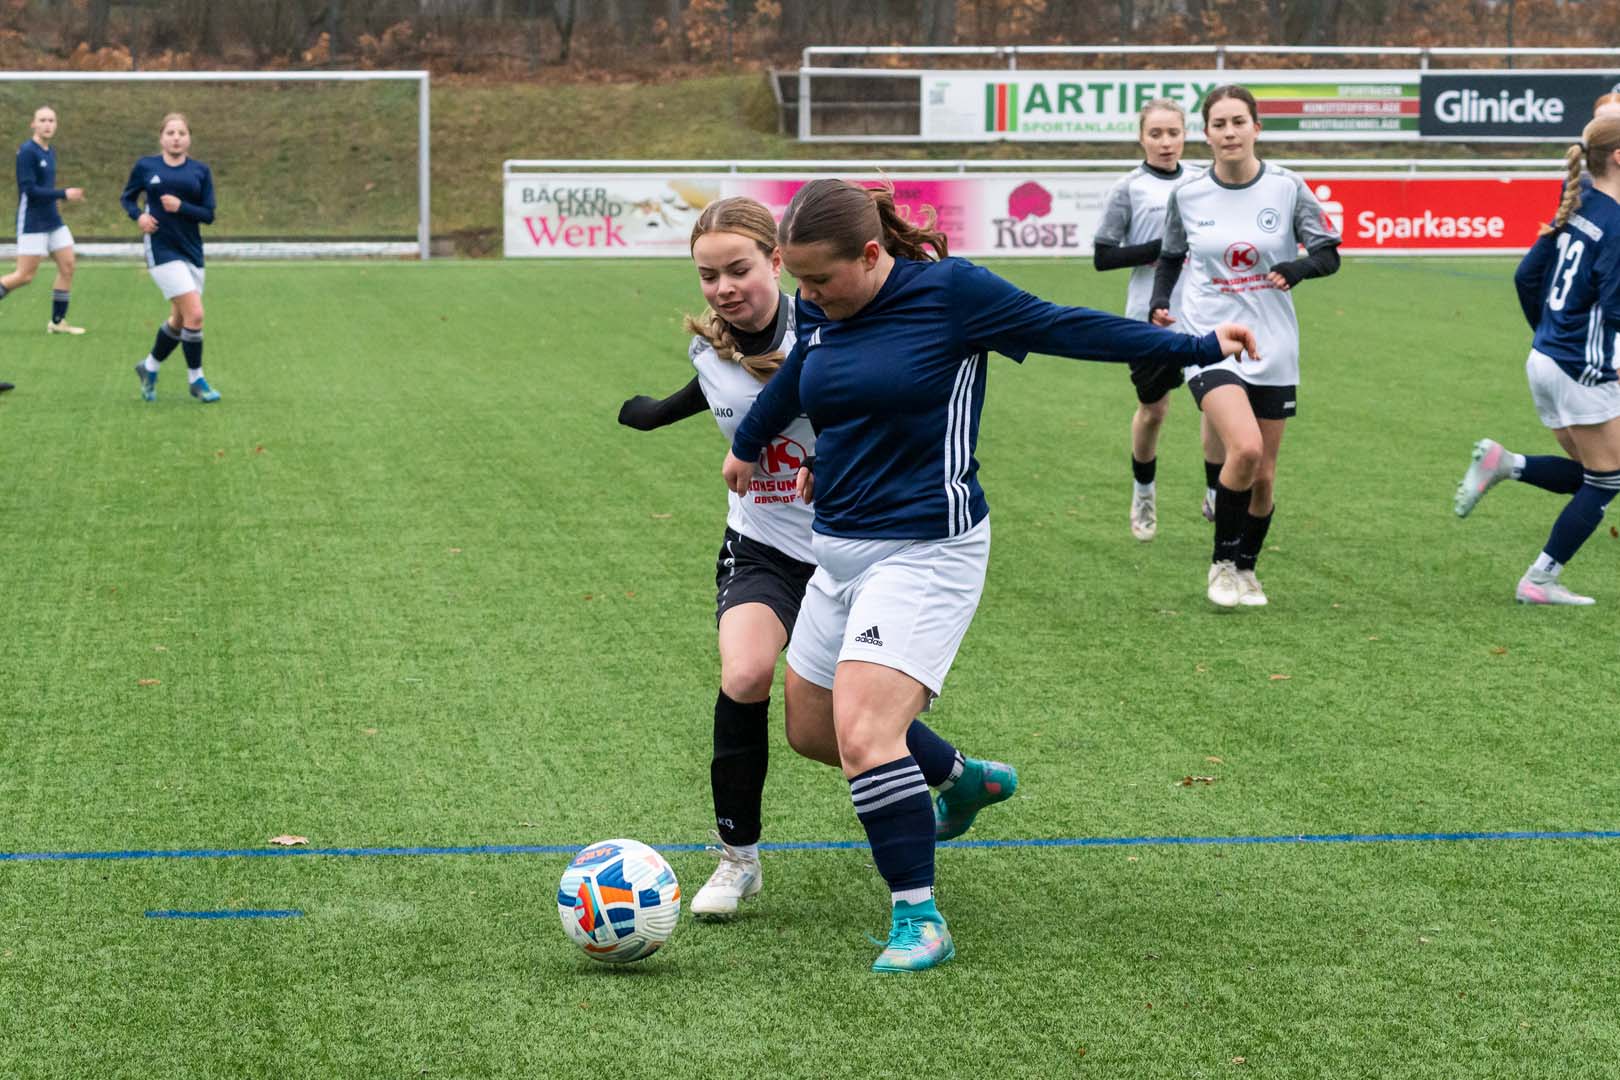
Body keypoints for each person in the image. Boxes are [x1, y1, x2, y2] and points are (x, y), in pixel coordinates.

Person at [723, 178, 1258, 972]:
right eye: (798, 280)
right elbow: (803, 373)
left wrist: (1197, 346)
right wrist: (749, 445)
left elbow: (1066, 326)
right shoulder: (826, 311)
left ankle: (919, 919)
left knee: (866, 736)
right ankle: (959, 778)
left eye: (820, 280)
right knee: (811, 730)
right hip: (836, 552)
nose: (808, 295)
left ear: (869, 255)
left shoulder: (952, 295)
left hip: (925, 550)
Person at [618, 196, 1016, 921]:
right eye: (708, 276)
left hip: (858, 545)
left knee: (838, 719)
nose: (724, 288)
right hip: (763, 548)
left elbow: (871, 400)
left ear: (778, 261)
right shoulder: (709, 351)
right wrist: (651, 412)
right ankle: (737, 860)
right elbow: (725, 394)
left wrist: (827, 458)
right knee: (745, 674)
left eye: (738, 269)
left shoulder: (836, 320)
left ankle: (956, 776)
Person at [1150, 84, 1341, 609]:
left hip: (1273, 343)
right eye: (1219, 124)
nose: (1230, 132)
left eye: (1239, 122)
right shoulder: (1188, 194)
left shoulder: (1287, 186)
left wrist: (1297, 268)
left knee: (1264, 477)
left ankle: (1248, 568)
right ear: (1206, 134)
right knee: (1247, 449)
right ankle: (1221, 564)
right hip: (1209, 339)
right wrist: (1160, 301)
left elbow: (1328, 253)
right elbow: (1170, 255)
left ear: (1257, 127)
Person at [1453, 115, 1620, 604]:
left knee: (1595, 473)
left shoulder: (1580, 198)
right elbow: (1616, 310)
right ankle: (1539, 579)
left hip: (1547, 358)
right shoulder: (1614, 222)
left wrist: (1548, 335)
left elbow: (1527, 276)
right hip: (1581, 368)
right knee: (1606, 479)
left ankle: (1507, 464)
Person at [1093, 98, 1221, 540]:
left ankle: (1216, 492)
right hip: (1150, 316)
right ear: (1141, 138)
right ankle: (1143, 491)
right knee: (1154, 410)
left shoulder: (1205, 181)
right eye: (1156, 134)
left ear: (1186, 135)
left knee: (1216, 401)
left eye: (1173, 133)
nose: (1166, 142)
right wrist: (1164, 249)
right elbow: (1103, 256)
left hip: (1205, 311)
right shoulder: (1128, 188)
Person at [119, 112, 219, 404]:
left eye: (182, 133)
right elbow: (127, 198)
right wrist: (139, 216)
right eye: (170, 133)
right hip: (161, 248)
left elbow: (208, 214)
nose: (176, 138)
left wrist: (181, 206)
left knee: (180, 318)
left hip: (191, 250)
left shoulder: (200, 171)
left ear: (189, 139)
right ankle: (196, 380)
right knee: (195, 314)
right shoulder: (146, 166)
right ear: (161, 138)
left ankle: (149, 367)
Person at [0, 105, 86, 338]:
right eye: (42, 120)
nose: (47, 124)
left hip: (52, 220)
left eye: (51, 120)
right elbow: (29, 190)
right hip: (32, 221)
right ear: (33, 124)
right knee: (24, 275)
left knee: (68, 265)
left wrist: (57, 200)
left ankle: (57, 322)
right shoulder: (27, 151)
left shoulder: (50, 151)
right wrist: (63, 194)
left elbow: (45, 188)